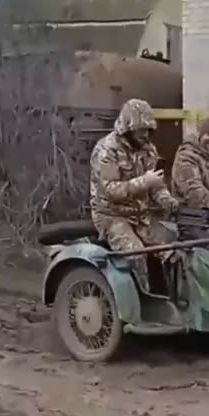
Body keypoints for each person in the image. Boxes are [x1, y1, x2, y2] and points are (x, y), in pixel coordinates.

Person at [90, 98, 178, 292]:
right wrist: (144, 182)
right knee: (136, 255)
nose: (144, 135)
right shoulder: (106, 150)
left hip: (140, 215)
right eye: (140, 130)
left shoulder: (149, 151)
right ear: (127, 129)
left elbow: (155, 184)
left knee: (172, 249)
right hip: (111, 216)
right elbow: (111, 191)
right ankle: (140, 309)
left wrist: (166, 199)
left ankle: (173, 301)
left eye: (147, 130)